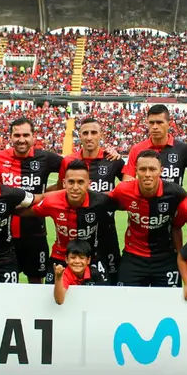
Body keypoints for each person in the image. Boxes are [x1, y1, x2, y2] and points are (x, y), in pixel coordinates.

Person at [18, 160, 118, 284]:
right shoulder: (52, 202)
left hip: (90, 259)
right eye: (71, 182)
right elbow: (24, 211)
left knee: (102, 293)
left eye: (80, 182)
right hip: (60, 257)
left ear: (89, 184)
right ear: (64, 183)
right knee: (51, 294)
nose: (75, 188)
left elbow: (126, 203)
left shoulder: (101, 200)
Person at [0, 117, 63, 285]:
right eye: (17, 135)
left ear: (33, 137)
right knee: (6, 283)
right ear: (10, 137)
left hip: (35, 232)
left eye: (25, 135)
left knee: (36, 281)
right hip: (4, 233)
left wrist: (49, 191)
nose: (21, 139)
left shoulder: (45, 158)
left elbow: (72, 166)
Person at [109, 150, 187, 287]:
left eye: (152, 169)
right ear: (136, 171)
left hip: (166, 258)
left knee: (169, 300)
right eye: (142, 169)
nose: (147, 174)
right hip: (133, 257)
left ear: (161, 171)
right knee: (125, 298)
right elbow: (100, 201)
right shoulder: (123, 190)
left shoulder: (175, 192)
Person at [59, 117, 125, 281]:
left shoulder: (113, 160)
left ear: (100, 135)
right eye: (85, 133)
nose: (89, 137)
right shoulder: (68, 161)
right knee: (73, 279)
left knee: (111, 278)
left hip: (107, 229)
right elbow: (61, 191)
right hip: (78, 231)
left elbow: (127, 187)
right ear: (79, 136)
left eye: (93, 133)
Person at [122, 104, 187, 186]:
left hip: (174, 195)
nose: (155, 127)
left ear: (169, 124)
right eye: (151, 123)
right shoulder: (137, 149)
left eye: (159, 122)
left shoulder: (183, 149)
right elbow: (127, 182)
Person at [52, 239, 108, 305]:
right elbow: (59, 301)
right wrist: (58, 278)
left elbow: (103, 296)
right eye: (73, 257)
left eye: (81, 258)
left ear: (88, 260)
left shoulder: (94, 273)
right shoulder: (65, 274)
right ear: (66, 259)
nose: (77, 261)